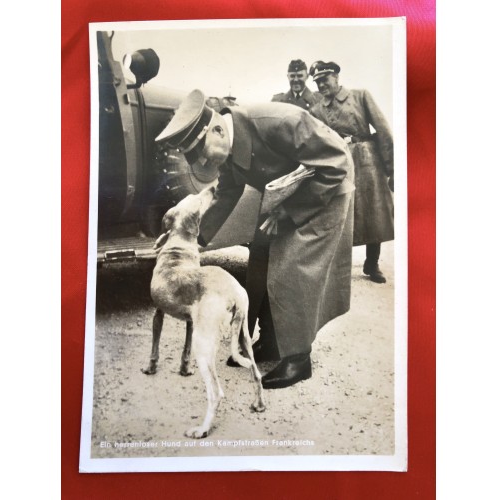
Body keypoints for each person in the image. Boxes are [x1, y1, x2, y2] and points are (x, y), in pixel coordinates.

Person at [155, 89, 355, 389]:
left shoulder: (279, 122)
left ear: (218, 129)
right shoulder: (227, 143)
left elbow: (336, 163)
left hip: (325, 190)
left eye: (203, 153)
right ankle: (274, 342)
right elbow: (226, 193)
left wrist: (288, 213)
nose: (205, 163)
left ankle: (298, 359)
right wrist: (196, 240)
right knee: (260, 256)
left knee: (291, 267)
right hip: (290, 192)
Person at [309, 61, 394, 283]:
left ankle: (372, 263)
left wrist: (391, 167)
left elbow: (384, 130)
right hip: (339, 163)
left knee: (373, 212)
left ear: (336, 77)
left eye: (324, 79)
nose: (321, 85)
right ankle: (340, 266)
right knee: (341, 212)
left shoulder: (360, 96)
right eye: (317, 82)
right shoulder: (316, 110)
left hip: (367, 160)